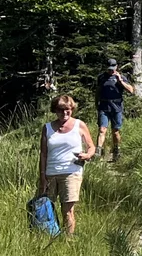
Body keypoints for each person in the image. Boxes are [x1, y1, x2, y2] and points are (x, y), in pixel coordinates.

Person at [38, 93, 98, 237]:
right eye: (60, 109)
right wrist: (42, 177)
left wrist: (87, 155)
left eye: (68, 109)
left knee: (67, 210)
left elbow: (91, 147)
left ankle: (68, 240)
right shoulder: (47, 128)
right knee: (46, 208)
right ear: (55, 110)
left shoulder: (79, 125)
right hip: (50, 173)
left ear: (72, 109)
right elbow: (43, 154)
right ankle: (49, 236)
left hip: (71, 172)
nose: (64, 113)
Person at [94, 57, 136, 162]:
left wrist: (120, 81)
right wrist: (96, 103)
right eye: (109, 68)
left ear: (116, 67)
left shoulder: (121, 77)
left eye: (113, 68)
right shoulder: (102, 77)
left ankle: (116, 150)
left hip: (116, 107)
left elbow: (131, 90)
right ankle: (98, 153)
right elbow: (98, 91)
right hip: (104, 106)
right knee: (102, 129)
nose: (111, 70)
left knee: (115, 131)